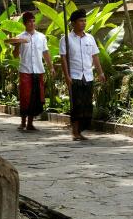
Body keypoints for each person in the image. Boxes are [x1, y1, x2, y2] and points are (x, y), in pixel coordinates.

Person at [59, 8, 106, 141]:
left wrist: (100, 72)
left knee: (87, 105)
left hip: (88, 75)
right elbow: (63, 58)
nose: (84, 23)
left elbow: (95, 56)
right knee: (76, 105)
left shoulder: (90, 38)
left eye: (85, 20)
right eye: (81, 21)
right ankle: (75, 131)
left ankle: (81, 129)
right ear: (73, 23)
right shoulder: (66, 39)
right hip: (74, 76)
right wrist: (66, 76)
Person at [11, 11, 54, 131]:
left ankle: (30, 123)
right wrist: (17, 45)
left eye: (33, 21)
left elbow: (45, 53)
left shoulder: (41, 37)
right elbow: (14, 55)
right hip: (25, 70)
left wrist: (51, 67)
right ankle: (23, 121)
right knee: (25, 97)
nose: (32, 23)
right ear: (25, 23)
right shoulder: (20, 37)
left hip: (38, 70)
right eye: (29, 21)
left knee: (35, 97)